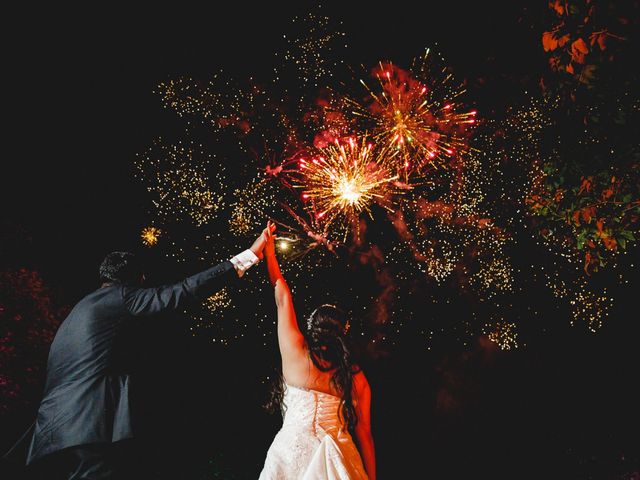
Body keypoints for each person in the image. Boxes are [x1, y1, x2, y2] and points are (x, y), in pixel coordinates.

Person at [4, 224, 274, 480]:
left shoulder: (80, 309)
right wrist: (248, 256)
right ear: (136, 279)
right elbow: (181, 292)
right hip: (90, 425)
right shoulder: (123, 296)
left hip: (54, 431)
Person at [258, 221, 376, 480]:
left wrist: (269, 253)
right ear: (343, 334)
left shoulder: (295, 354)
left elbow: (282, 298)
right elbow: (364, 434)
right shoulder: (355, 378)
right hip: (339, 461)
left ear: (312, 328)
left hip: (289, 456)